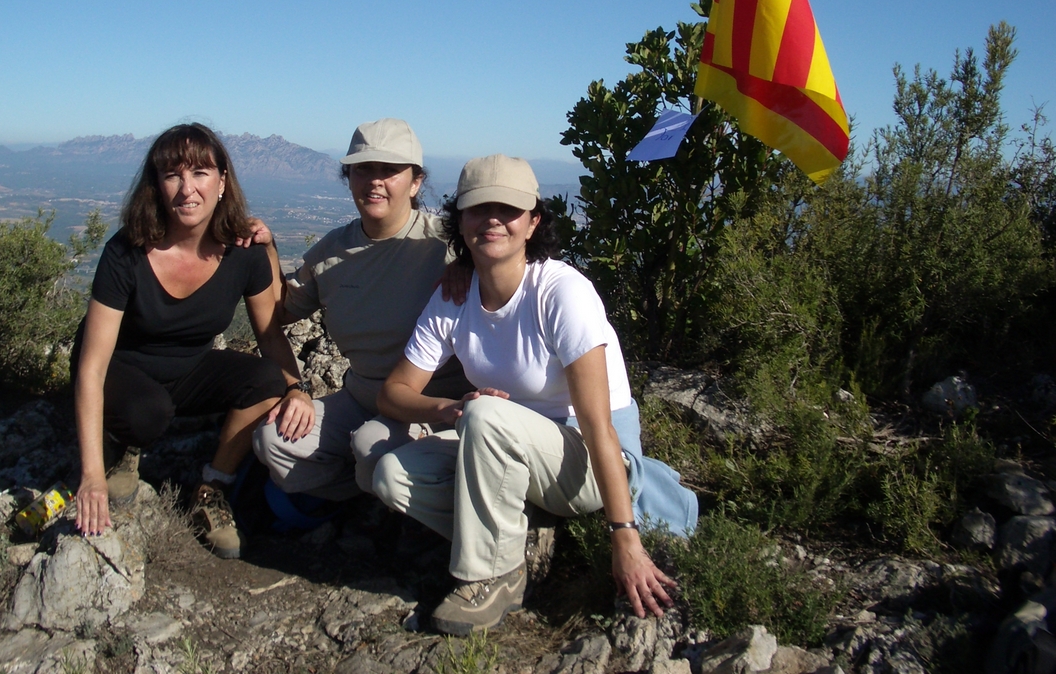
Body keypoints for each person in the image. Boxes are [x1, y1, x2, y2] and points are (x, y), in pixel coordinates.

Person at [372, 155, 698, 635]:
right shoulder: (455, 296)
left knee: (487, 415)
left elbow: (599, 426)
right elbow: (394, 394)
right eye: (478, 209)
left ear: (533, 222)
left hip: (589, 459)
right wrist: (451, 408)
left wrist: (625, 538)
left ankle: (493, 577)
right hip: (511, 451)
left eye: (509, 209)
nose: (493, 220)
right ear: (460, 221)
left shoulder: (561, 292)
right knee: (391, 475)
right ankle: (517, 535)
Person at [73, 123, 311, 558]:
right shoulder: (126, 252)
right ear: (156, 186)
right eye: (172, 175)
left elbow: (270, 336)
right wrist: (90, 476)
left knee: (267, 379)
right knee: (149, 413)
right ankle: (121, 446)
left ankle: (212, 486)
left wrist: (298, 388)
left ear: (222, 182)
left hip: (187, 370)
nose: (187, 189)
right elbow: (91, 367)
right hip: (119, 371)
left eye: (200, 173)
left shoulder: (244, 253)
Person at [252, 118, 470, 501]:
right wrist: (267, 249)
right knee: (274, 439)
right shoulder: (331, 252)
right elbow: (282, 311)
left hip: (433, 406)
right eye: (363, 169)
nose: (375, 181)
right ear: (349, 178)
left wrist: (469, 264)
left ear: (415, 182)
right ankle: (356, 499)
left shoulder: (447, 247)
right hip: (360, 398)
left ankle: (396, 499)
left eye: (390, 170)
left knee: (374, 448)